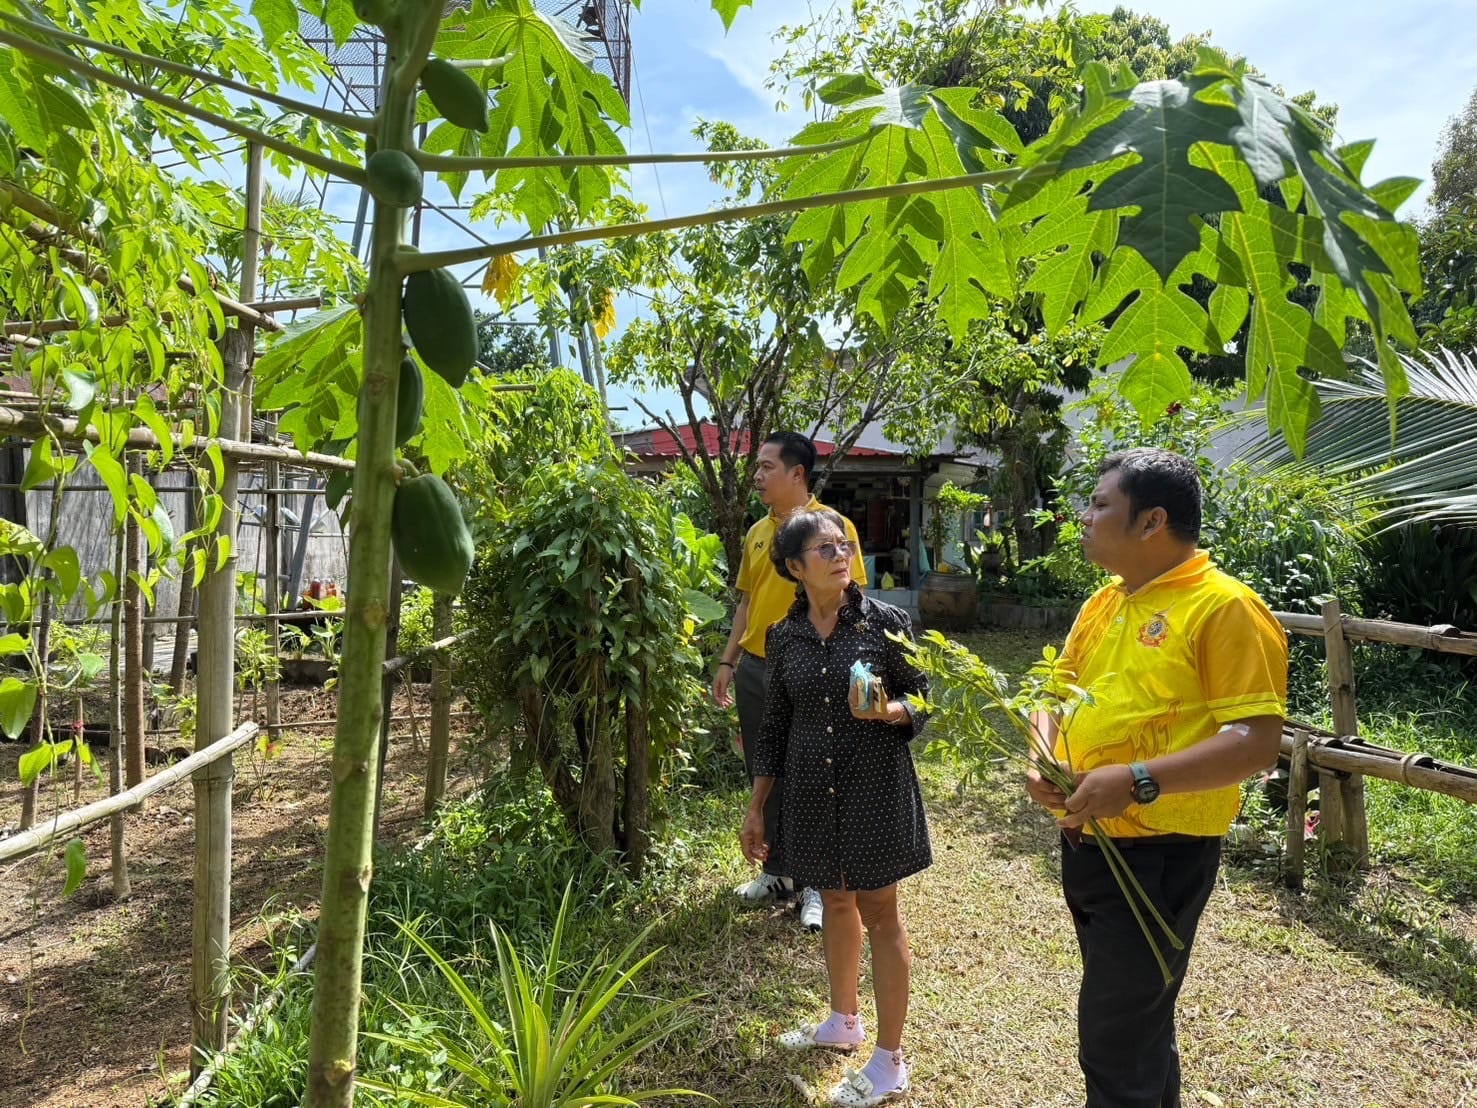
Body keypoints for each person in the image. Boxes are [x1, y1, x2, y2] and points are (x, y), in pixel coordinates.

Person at [1026, 448, 1288, 1108]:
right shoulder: (1105, 603)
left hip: (1158, 856)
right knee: (1133, 1025)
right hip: (1089, 840)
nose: (1083, 517)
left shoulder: (1223, 608)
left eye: (1099, 504)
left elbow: (1254, 743)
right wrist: (1041, 756)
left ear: (1151, 522)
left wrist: (1136, 780)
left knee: (1114, 1040)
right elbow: (1053, 690)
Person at [741, 509, 929, 1108]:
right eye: (824, 550)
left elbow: (923, 698)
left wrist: (890, 712)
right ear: (795, 567)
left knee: (880, 910)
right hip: (811, 794)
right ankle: (843, 1022)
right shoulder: (785, 635)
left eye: (844, 544)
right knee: (837, 898)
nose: (842, 555)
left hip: (874, 789)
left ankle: (890, 1060)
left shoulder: (885, 624)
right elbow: (774, 726)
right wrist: (756, 807)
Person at [712, 433, 867, 931]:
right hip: (759, 668)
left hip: (812, 666)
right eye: (756, 467)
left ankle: (816, 884)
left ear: (797, 474)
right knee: (766, 768)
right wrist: (728, 661)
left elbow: (853, 593)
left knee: (813, 774)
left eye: (766, 467)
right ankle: (778, 870)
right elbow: (746, 603)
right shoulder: (759, 532)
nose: (756, 476)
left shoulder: (833, 529)